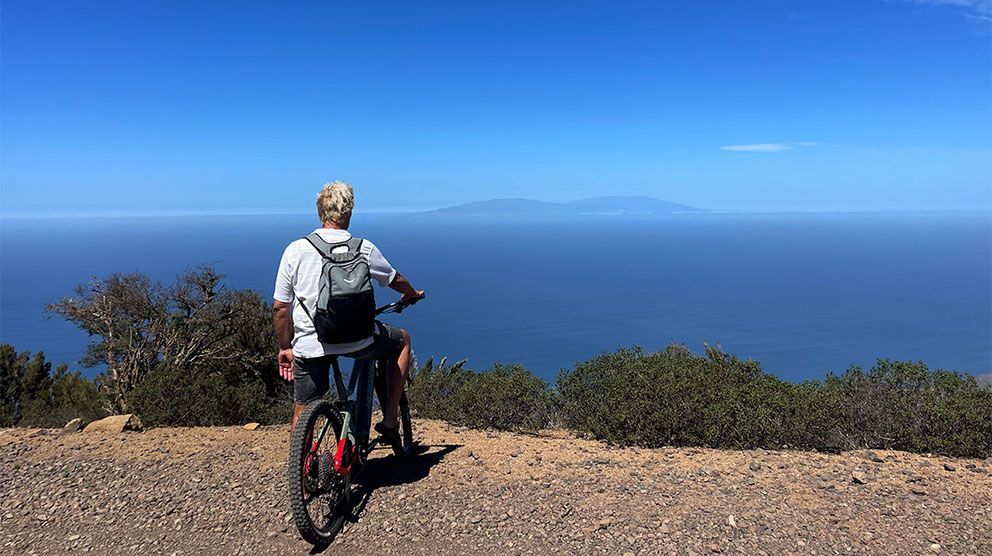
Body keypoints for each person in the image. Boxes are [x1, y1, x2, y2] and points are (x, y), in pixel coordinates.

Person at [272, 181, 424, 444]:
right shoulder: (364, 247)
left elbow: (280, 307)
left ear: (320, 212)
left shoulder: (295, 250)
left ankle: (302, 463)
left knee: (303, 408)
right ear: (349, 213)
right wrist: (411, 294)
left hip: (311, 344)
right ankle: (390, 421)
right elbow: (394, 279)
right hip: (359, 340)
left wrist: (285, 347)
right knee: (403, 341)